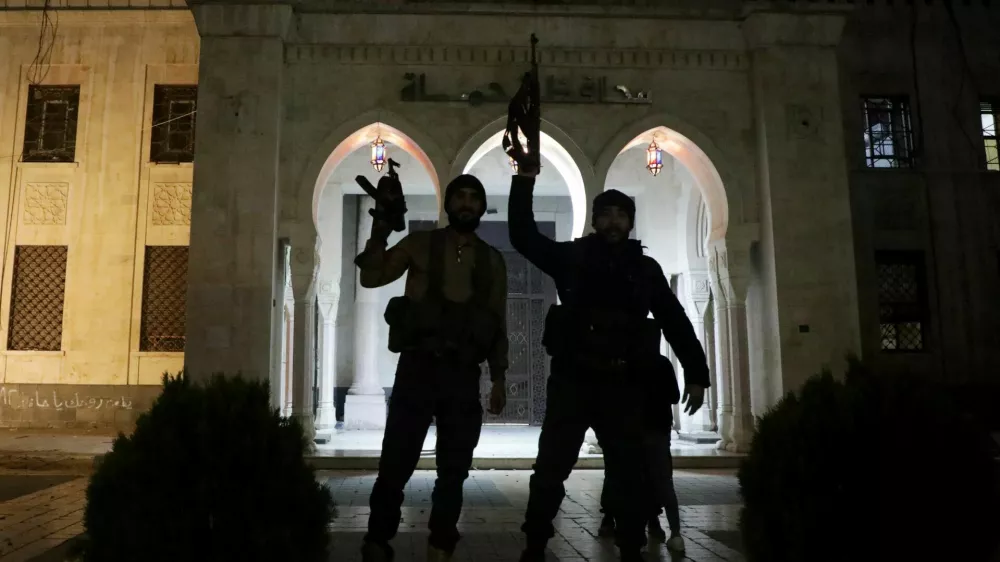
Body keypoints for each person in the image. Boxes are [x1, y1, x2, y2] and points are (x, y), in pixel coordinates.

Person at [509, 168, 710, 562]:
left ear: (630, 222)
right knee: (551, 467)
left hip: (623, 385)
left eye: (621, 214)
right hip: (573, 382)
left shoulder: (645, 270)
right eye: (606, 214)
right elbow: (524, 236)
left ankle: (631, 548)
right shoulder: (571, 258)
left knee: (628, 473)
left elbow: (675, 321)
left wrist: (697, 373)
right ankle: (534, 544)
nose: (614, 221)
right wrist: (525, 179)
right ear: (595, 220)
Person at [356, 174, 509, 562]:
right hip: (417, 369)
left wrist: (499, 378)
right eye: (461, 196)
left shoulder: (492, 261)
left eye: (475, 198)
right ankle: (378, 539)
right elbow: (372, 276)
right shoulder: (420, 244)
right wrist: (379, 227)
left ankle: (441, 543)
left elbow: (496, 322)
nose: (467, 204)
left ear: (481, 206)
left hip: (462, 375)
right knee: (396, 461)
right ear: (449, 204)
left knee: (454, 468)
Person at [598, 352, 708, 554]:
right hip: (657, 430)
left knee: (624, 477)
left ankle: (619, 527)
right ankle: (673, 532)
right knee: (662, 481)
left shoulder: (622, 361)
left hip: (628, 432)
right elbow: (674, 396)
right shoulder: (662, 363)